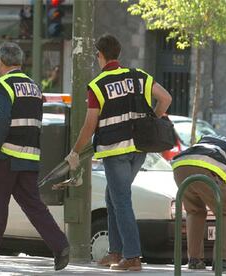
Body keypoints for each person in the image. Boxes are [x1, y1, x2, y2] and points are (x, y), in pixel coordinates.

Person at [65, 34, 172, 271]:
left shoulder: (97, 85)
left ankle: (132, 256)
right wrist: (152, 119)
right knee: (113, 198)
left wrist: (75, 152)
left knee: (121, 200)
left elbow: (90, 124)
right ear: (119, 54)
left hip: (115, 152)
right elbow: (166, 98)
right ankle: (115, 252)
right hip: (140, 150)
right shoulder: (140, 76)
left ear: (99, 56)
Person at [0, 42, 69, 271]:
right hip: (28, 158)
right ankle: (60, 245)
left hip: (5, 158)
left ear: (0, 62)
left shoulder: (3, 85)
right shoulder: (34, 87)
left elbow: (2, 118)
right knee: (34, 206)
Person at [171, 127, 226, 271]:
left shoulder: (210, 138)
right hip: (205, 172)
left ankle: (195, 260)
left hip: (179, 167)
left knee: (195, 211)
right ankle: (222, 260)